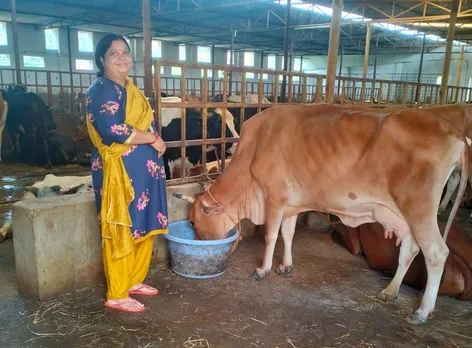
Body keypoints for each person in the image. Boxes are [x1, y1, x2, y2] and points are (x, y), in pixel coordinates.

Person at [85, 33, 168, 313]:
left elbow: (149, 124)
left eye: (125, 52)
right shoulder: (102, 89)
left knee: (142, 222)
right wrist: (152, 139)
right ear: (101, 60)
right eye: (113, 53)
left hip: (143, 172)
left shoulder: (132, 89)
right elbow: (112, 129)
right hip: (118, 170)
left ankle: (133, 280)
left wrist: (156, 139)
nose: (121, 57)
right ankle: (117, 292)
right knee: (120, 226)